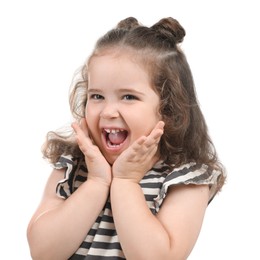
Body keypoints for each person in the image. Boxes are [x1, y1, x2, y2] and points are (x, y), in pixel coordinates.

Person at [27, 17, 226, 260]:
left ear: (168, 109)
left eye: (129, 97)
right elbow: (42, 252)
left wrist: (125, 182)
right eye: (97, 96)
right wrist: (96, 183)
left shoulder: (184, 179)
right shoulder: (72, 165)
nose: (108, 111)